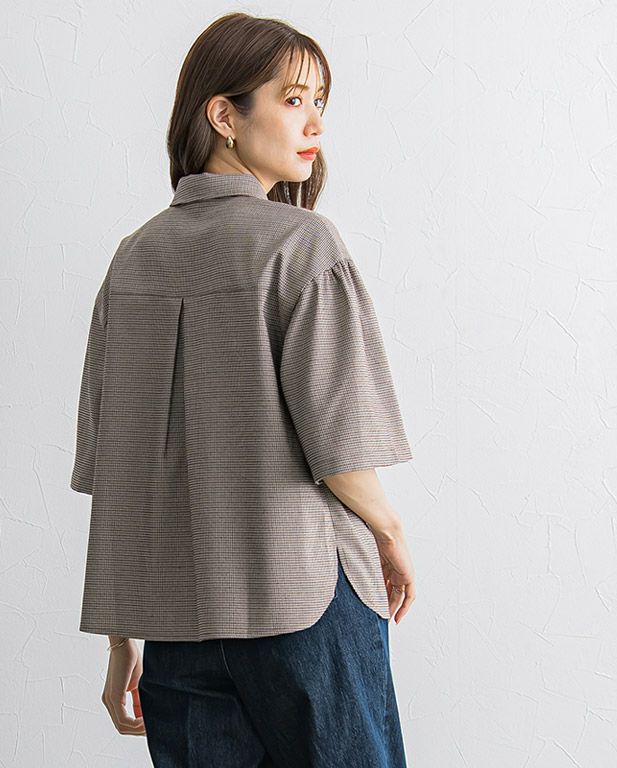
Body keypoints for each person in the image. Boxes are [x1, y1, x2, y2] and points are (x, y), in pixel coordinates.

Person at [70, 11, 416, 767]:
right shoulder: (301, 242)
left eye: (320, 101)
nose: (314, 122)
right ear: (224, 116)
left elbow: (115, 471)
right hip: (304, 604)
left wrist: (122, 640)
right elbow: (341, 440)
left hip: (176, 626)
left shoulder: (132, 259)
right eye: (292, 100)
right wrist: (389, 531)